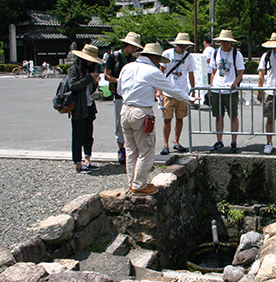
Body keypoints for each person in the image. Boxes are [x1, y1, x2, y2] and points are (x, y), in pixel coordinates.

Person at [117, 43, 193, 195]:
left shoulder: (127, 67)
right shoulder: (152, 71)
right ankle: (139, 185)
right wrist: (188, 98)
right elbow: (171, 88)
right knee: (146, 149)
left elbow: (119, 89)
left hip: (125, 109)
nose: (159, 63)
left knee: (131, 150)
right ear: (153, 57)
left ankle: (132, 183)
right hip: (141, 111)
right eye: (158, 59)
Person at [104, 32, 143, 164]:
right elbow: (106, 76)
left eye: (135, 47)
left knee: (134, 122)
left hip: (132, 95)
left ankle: (132, 150)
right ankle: (121, 150)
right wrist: (120, 81)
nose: (133, 49)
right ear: (126, 44)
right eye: (132, 46)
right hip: (119, 94)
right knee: (119, 123)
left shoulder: (133, 59)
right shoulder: (113, 57)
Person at [157, 32, 196, 155]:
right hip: (168, 92)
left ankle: (176, 141)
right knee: (167, 119)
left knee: (180, 118)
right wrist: (158, 90)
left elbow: (191, 74)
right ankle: (165, 144)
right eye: (181, 45)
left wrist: (192, 90)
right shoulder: (167, 54)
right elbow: (160, 71)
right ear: (176, 44)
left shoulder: (189, 57)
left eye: (185, 46)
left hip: (182, 91)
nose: (183, 47)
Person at [68, 44, 104, 174]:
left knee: (89, 134)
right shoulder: (75, 69)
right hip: (78, 107)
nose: (91, 62)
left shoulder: (90, 69)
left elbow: (91, 90)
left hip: (89, 105)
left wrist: (94, 82)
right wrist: (89, 79)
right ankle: (78, 163)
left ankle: (88, 160)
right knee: (78, 135)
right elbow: (72, 86)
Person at [209, 29, 245, 153]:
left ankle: (234, 141)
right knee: (218, 116)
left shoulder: (236, 54)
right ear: (220, 42)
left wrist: (235, 83)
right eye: (223, 42)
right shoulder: (215, 53)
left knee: (233, 116)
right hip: (217, 89)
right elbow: (213, 72)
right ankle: (219, 141)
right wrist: (211, 86)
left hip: (231, 90)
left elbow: (240, 72)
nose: (225, 44)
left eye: (228, 42)